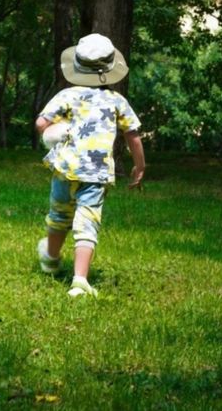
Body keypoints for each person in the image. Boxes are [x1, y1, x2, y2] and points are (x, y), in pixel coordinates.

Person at [35, 33, 145, 298]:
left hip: (65, 169)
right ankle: (80, 281)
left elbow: (41, 124)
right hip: (96, 174)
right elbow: (133, 136)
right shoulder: (117, 101)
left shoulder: (68, 95)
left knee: (59, 215)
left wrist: (54, 131)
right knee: (88, 223)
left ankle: (50, 259)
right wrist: (139, 167)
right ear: (109, 68)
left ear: (78, 65)